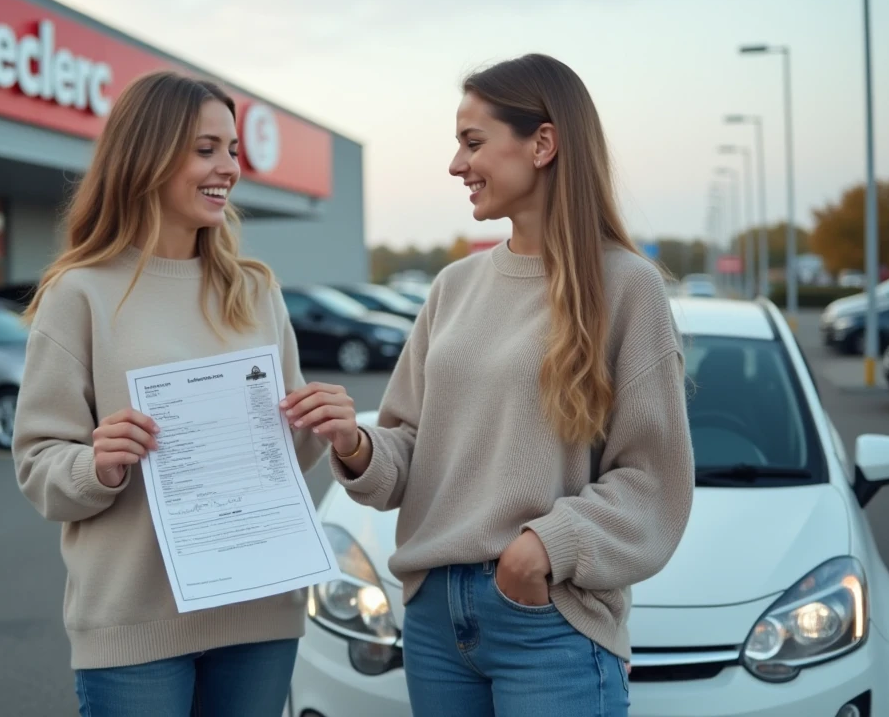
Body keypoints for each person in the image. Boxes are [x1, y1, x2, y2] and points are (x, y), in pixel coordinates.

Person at [284, 53, 695, 716]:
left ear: (543, 143)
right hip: (434, 623)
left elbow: (653, 479)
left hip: (550, 621)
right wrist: (357, 446)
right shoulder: (452, 288)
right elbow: (407, 449)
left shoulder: (628, 288)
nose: (455, 165)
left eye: (472, 142)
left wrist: (541, 553)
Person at [11, 70, 356, 717]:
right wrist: (97, 463)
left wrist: (322, 424)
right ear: (146, 155)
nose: (228, 167)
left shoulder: (255, 290)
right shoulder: (80, 294)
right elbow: (38, 467)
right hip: (135, 623)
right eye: (206, 149)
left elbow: (280, 450)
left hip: (259, 613)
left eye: (232, 150)